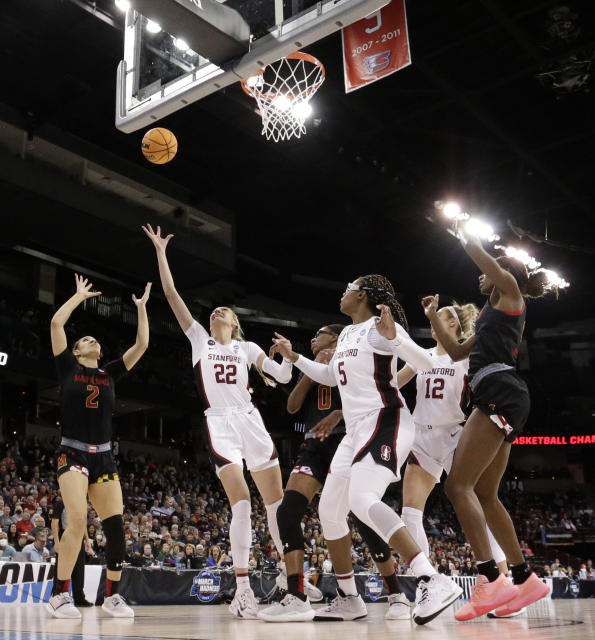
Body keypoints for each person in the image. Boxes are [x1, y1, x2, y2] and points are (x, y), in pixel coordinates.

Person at [270, 275, 462, 625]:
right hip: (356, 430)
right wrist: (295, 356)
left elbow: (427, 364)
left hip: (386, 420)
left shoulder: (380, 327)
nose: (341, 293)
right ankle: (349, 599)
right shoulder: (346, 334)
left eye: (346, 289)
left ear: (361, 295)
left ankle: (431, 578)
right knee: (329, 510)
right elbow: (330, 376)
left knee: (361, 499)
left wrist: (396, 340)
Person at [144, 224, 290, 619]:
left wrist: (285, 359)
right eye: (214, 310)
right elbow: (173, 296)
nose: (217, 311)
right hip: (221, 422)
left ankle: (287, 576)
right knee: (241, 503)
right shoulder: (199, 341)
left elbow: (281, 377)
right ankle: (243, 589)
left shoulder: (247, 347)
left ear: (235, 323)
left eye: (224, 310)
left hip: (251, 419)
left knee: (276, 504)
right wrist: (161, 253)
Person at [423, 225, 554, 621]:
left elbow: (481, 256)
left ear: (502, 272)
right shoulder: (488, 314)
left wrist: (463, 231)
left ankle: (489, 577)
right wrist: (433, 317)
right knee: (484, 492)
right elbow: (457, 351)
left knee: (456, 485)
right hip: (498, 391)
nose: (480, 276)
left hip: (500, 388)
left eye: (488, 271)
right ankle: (523, 576)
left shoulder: (511, 293)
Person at [259, 324, 414, 622]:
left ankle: (397, 595)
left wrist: (338, 413)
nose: (313, 338)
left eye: (319, 334)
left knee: (362, 516)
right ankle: (296, 595)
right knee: (287, 511)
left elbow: (366, 400)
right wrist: (312, 368)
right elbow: (292, 407)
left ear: (335, 336)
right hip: (314, 446)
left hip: (349, 438)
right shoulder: (314, 363)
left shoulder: (351, 355)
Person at [395, 301, 516, 618]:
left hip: (455, 436)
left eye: (442, 317)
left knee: (475, 509)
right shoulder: (424, 355)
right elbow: (393, 384)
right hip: (422, 437)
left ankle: (504, 583)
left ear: (456, 325)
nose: (433, 322)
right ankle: (430, 583)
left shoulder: (467, 358)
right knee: (409, 513)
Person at [47, 273, 150, 619]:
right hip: (72, 452)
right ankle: (59, 594)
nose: (92, 341)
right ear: (77, 351)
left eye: (95, 339)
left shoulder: (108, 373)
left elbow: (142, 346)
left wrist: (142, 309)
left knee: (116, 527)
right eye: (85, 340)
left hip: (104, 456)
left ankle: (112, 596)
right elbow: (57, 322)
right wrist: (78, 296)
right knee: (76, 520)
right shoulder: (67, 368)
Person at [51, 496, 93, 607]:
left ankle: (79, 598)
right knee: (61, 567)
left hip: (79, 538)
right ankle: (56, 595)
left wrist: (87, 539)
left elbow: (82, 523)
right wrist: (56, 542)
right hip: (65, 536)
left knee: (79, 569)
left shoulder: (80, 503)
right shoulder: (60, 503)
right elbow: (54, 523)